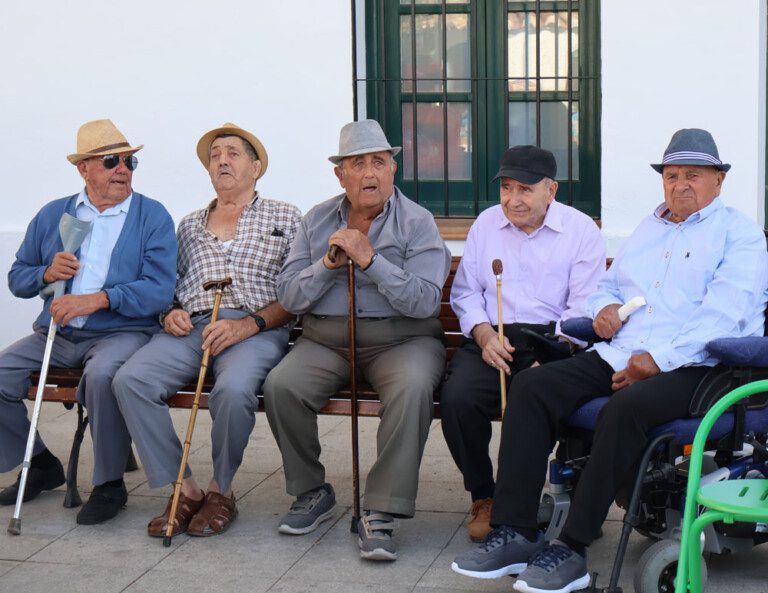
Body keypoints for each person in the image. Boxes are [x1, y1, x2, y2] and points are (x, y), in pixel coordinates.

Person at [452, 128, 768, 593]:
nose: (680, 184)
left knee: (624, 409)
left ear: (718, 181)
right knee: (533, 387)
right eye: (672, 175)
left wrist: (655, 360)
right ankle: (514, 531)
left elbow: (723, 316)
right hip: (620, 350)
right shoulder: (651, 227)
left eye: (694, 176)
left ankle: (572, 550)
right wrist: (601, 309)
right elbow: (611, 286)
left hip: (696, 365)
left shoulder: (739, 234)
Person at [263, 119, 451, 561]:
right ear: (340, 174)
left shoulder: (418, 223)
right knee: (281, 386)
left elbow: (424, 301)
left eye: (379, 163)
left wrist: (371, 260)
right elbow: (289, 294)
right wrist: (326, 265)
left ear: (393, 169)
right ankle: (311, 490)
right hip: (326, 339)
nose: (370, 173)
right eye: (358, 164)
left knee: (411, 388)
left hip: (401, 340)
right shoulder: (316, 220)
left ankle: (381, 510)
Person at [113, 123, 301, 538]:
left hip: (254, 328)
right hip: (193, 326)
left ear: (255, 167)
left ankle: (222, 489)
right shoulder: (189, 224)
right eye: (215, 156)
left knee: (233, 392)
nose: (222, 161)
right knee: (131, 379)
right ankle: (186, 491)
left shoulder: (287, 217)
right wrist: (169, 314)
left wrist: (247, 326)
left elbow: (298, 293)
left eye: (232, 153)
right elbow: (167, 287)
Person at [0, 119, 177, 524]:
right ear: (84, 169)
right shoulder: (53, 215)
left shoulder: (152, 216)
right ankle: (42, 464)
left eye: (130, 162)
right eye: (111, 161)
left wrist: (98, 300)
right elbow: (18, 278)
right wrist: (46, 274)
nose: (123, 170)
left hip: (122, 332)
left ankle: (109, 482)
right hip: (57, 332)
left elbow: (158, 290)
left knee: (101, 378)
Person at [442, 145, 605, 542]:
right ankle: (484, 496)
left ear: (551, 190)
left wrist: (554, 353)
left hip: (555, 340)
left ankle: (539, 498)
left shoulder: (581, 230)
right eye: (507, 188)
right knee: (458, 398)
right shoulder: (485, 224)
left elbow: (585, 305)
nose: (513, 200)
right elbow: (465, 293)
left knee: (533, 401)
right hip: (494, 337)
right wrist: (482, 335)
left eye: (525, 190)